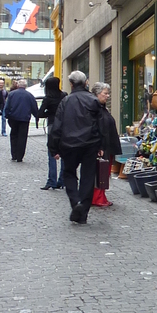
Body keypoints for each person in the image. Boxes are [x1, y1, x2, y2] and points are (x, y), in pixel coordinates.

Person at [48, 71, 108, 224]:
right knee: (88, 177)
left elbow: (57, 126)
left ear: (71, 84)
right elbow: (101, 124)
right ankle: (83, 211)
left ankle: (76, 202)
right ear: (86, 82)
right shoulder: (93, 100)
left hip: (69, 144)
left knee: (69, 173)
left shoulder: (66, 101)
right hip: (89, 144)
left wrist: (54, 148)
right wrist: (101, 144)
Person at [90, 82, 121, 207]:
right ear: (97, 94)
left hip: (107, 144)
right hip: (102, 145)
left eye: (108, 93)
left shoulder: (102, 108)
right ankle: (97, 197)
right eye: (105, 93)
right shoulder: (96, 108)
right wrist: (100, 146)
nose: (107, 96)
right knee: (100, 171)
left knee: (103, 172)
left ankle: (100, 196)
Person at [39, 74, 66, 190]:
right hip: (64, 126)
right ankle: (63, 179)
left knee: (51, 152)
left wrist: (49, 113)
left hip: (52, 125)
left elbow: (39, 113)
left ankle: (52, 180)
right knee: (64, 152)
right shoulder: (64, 95)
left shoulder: (48, 98)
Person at [2, 78, 39, 163]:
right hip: (24, 119)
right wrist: (37, 117)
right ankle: (20, 156)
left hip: (14, 118)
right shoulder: (30, 95)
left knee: (14, 135)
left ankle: (14, 154)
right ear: (25, 86)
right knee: (22, 137)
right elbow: (34, 108)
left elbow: (7, 106)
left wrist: (7, 116)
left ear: (18, 85)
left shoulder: (11, 94)